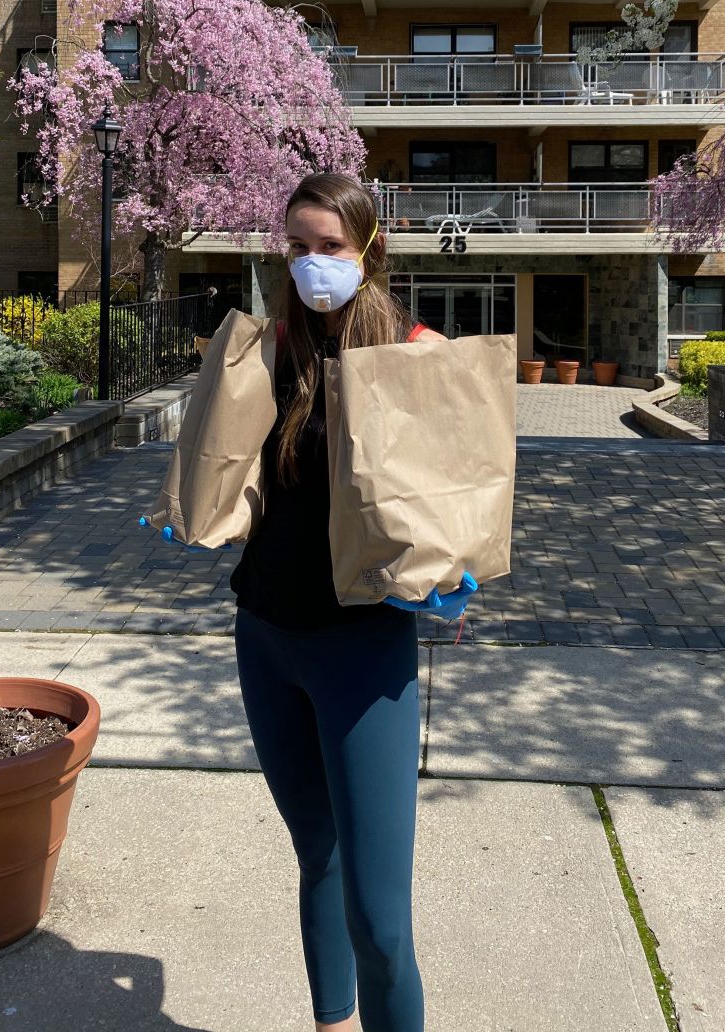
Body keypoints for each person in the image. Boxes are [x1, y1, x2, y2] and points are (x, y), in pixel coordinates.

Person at [230, 172, 450, 1032]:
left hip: (363, 653)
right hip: (264, 636)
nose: (313, 262)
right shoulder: (266, 351)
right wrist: (199, 513)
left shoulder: (414, 355)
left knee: (381, 922)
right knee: (314, 857)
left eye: (330, 246)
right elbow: (237, 475)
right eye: (298, 245)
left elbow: (452, 496)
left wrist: (454, 573)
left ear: (369, 250)